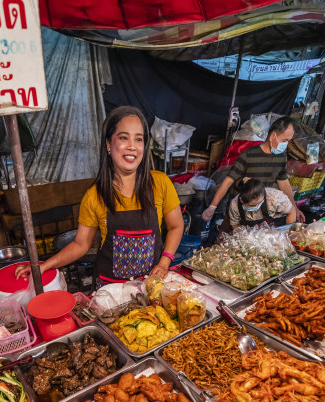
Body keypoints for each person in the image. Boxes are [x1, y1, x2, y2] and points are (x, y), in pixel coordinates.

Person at [15, 106, 184, 286]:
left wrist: (164, 262)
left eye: (139, 139)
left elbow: (176, 226)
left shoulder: (160, 183)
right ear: (109, 144)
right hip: (110, 289)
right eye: (124, 137)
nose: (132, 146)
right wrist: (44, 266)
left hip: (151, 283)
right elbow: (80, 244)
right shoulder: (95, 195)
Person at [202, 115, 305, 224]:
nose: (286, 144)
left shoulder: (281, 157)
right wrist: (212, 206)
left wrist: (295, 208)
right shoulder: (248, 155)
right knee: (226, 235)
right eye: (285, 140)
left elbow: (284, 183)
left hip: (261, 212)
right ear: (273, 136)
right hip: (239, 210)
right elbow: (228, 182)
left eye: (288, 141)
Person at [229, 177, 296, 230]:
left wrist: (287, 233)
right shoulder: (235, 205)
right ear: (241, 200)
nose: (257, 207)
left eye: (260, 202)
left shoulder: (274, 198)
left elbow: (291, 212)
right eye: (252, 205)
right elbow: (235, 224)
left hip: (277, 231)